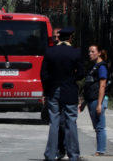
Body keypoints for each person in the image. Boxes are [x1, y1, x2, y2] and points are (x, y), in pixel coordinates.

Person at [41, 26, 82, 161]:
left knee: (54, 122)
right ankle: (74, 155)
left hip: (54, 90)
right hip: (69, 90)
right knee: (71, 122)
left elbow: (44, 74)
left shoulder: (50, 52)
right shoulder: (75, 52)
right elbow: (81, 73)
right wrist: (72, 79)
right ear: (70, 38)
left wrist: (46, 91)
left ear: (59, 38)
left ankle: (50, 155)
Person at [81, 45, 109, 156]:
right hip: (91, 100)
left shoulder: (101, 67)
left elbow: (102, 86)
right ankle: (99, 150)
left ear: (99, 53)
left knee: (100, 126)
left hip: (98, 100)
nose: (90, 54)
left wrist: (99, 104)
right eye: (89, 51)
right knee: (97, 126)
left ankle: (101, 150)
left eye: (92, 51)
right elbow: (89, 86)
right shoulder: (95, 67)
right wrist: (84, 103)